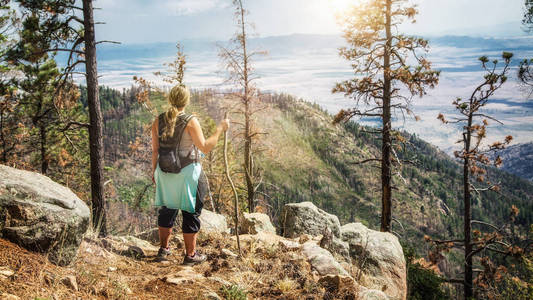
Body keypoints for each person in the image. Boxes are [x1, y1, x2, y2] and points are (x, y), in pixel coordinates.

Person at [151, 85, 229, 265]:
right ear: (186, 101)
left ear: (171, 99)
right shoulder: (190, 120)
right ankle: (190, 255)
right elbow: (205, 147)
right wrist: (220, 129)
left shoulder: (158, 120)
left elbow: (155, 150)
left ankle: (164, 249)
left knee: (166, 209)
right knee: (191, 211)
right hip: (187, 173)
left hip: (164, 171)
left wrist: (155, 172)